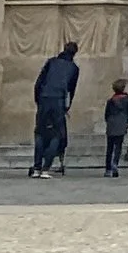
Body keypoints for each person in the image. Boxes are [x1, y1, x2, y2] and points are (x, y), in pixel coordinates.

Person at [30, 39, 80, 177]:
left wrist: (38, 100)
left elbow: (39, 82)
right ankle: (46, 168)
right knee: (56, 135)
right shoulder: (74, 68)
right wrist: (67, 107)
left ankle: (36, 167)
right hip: (58, 100)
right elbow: (71, 90)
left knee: (40, 132)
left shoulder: (51, 62)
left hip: (44, 98)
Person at [103, 79, 128, 178]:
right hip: (121, 124)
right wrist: (127, 124)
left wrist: (109, 122)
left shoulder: (110, 101)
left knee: (109, 147)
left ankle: (108, 168)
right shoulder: (127, 101)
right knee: (118, 147)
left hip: (111, 125)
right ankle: (115, 165)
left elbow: (106, 114)